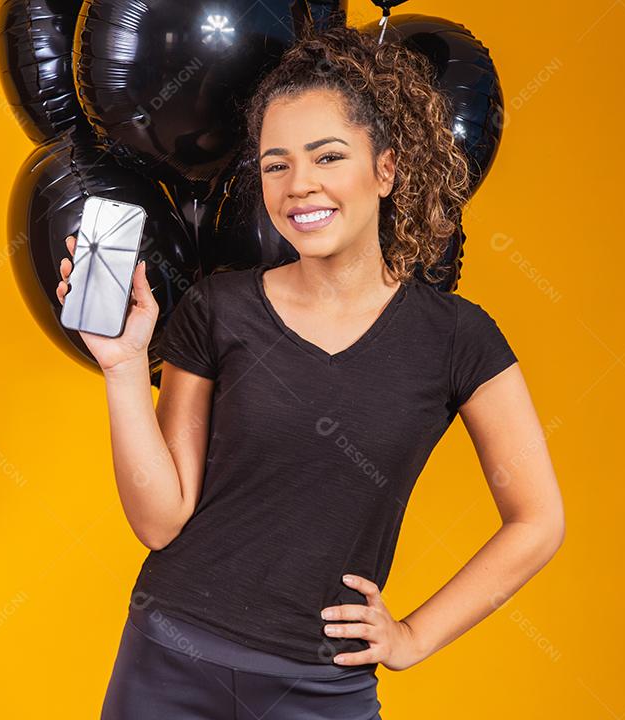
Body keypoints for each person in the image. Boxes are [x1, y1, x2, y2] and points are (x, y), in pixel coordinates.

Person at [56, 19, 564, 720]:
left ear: (385, 169)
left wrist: (413, 635)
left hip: (319, 692)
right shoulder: (217, 309)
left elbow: (537, 520)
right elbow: (161, 522)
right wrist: (120, 367)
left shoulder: (457, 338)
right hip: (169, 660)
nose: (300, 186)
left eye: (327, 157)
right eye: (275, 164)